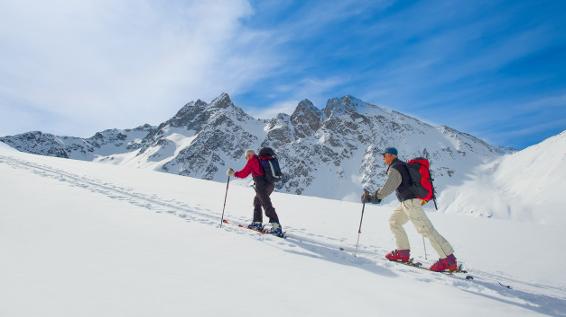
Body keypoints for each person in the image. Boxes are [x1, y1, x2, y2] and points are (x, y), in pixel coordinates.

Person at [361, 147, 458, 272]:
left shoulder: (396, 167)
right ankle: (403, 253)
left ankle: (448, 259)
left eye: (384, 155)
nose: (383, 158)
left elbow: (389, 186)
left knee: (426, 230)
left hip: (410, 202)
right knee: (394, 221)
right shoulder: (402, 166)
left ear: (391, 155)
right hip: (407, 202)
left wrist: (374, 197)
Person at [228, 149, 283, 237]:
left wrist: (233, 174)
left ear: (250, 155)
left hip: (261, 187)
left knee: (267, 205)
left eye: (246, 157)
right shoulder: (260, 160)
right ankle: (257, 223)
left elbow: (243, 174)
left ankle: (276, 228)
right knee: (257, 202)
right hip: (270, 185)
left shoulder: (252, 161)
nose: (246, 159)